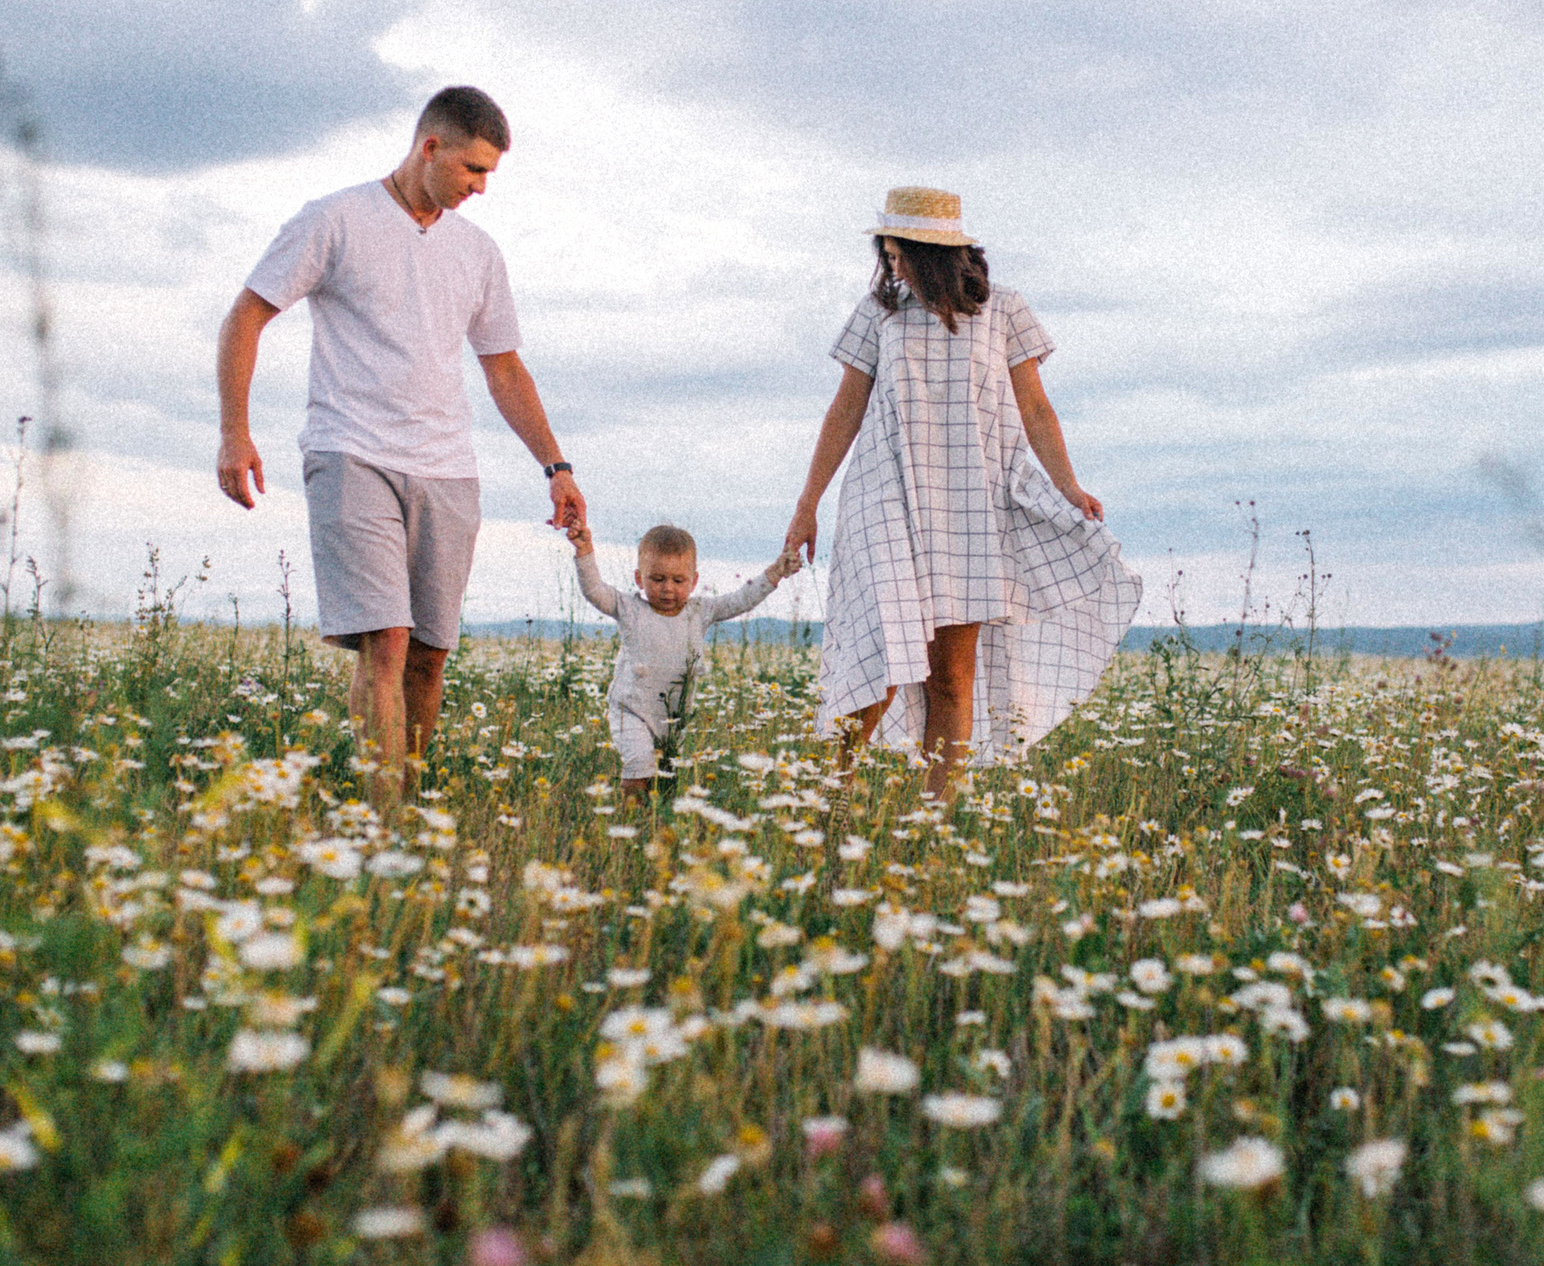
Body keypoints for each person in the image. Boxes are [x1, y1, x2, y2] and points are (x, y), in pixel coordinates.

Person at [215, 85, 584, 807]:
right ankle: (381, 823)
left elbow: (503, 366)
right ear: (430, 147)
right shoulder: (334, 219)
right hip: (349, 450)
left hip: (447, 467)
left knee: (428, 659)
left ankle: (404, 807)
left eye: (489, 176)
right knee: (385, 640)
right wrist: (236, 430)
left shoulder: (478, 252)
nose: (480, 189)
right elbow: (247, 315)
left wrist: (557, 466)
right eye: (473, 171)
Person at [783, 187, 1139, 801]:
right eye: (886, 255)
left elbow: (1034, 406)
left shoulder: (1003, 310)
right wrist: (807, 502)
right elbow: (845, 408)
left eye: (898, 255)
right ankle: (828, 802)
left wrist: (1068, 485)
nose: (890, 267)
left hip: (972, 503)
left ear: (931, 253)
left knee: (952, 674)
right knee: (883, 651)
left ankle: (935, 815)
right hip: (885, 493)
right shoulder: (877, 315)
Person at [566, 521, 802, 803]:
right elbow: (594, 590)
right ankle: (630, 818)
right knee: (639, 764)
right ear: (639, 578)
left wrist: (776, 572)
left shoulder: (700, 611)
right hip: (630, 710)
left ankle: (655, 824)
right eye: (657, 579)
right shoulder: (630, 609)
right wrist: (584, 551)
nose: (668, 589)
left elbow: (742, 599)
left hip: (674, 717)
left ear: (694, 580)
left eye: (678, 581)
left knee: (667, 776)